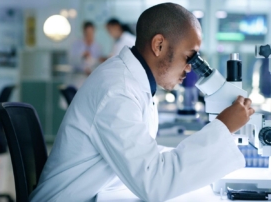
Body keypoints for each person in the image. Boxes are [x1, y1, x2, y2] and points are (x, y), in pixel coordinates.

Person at [30, 3, 254, 202]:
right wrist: (223, 128)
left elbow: (143, 154)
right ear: (158, 45)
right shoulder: (118, 90)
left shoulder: (129, 81)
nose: (189, 68)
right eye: (189, 56)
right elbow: (154, 184)